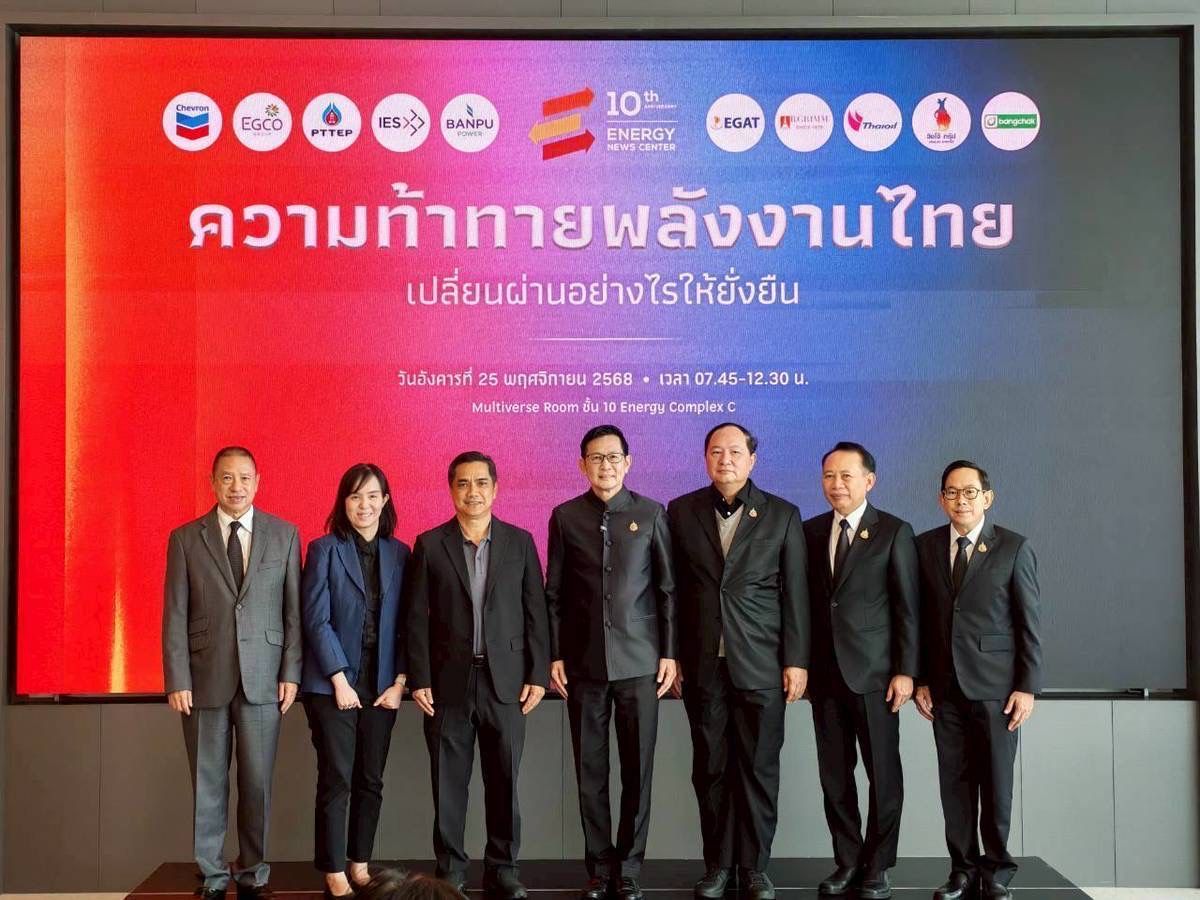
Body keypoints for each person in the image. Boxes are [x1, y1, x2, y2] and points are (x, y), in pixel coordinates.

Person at [667, 423, 809, 900]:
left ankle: (754, 867)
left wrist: (796, 660)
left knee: (759, 768)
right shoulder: (681, 511)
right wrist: (674, 655)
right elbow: (671, 592)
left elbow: (796, 595)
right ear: (705, 458)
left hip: (763, 664)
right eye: (715, 451)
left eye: (734, 452)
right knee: (710, 768)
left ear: (752, 459)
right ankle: (718, 866)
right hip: (703, 663)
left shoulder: (782, 514)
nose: (724, 459)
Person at [405, 451, 550, 899]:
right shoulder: (430, 544)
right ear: (451, 490)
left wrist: (538, 673)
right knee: (448, 784)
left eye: (481, 482)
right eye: (463, 483)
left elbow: (536, 612)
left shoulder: (520, 542)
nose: (473, 492)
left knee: (504, 781)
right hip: (447, 683)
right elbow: (416, 618)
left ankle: (503, 869)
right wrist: (419, 677)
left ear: (495, 488)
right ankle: (450, 869)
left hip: (506, 683)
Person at [162, 446, 302, 900]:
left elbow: (293, 612)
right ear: (212, 482)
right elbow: (175, 613)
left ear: (258, 482)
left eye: (244, 478)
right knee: (208, 781)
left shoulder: (284, 535)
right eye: (227, 478)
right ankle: (212, 872)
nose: (236, 486)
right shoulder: (186, 538)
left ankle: (253, 869)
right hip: (204, 678)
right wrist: (177, 677)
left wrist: (291, 671)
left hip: (265, 677)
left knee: (257, 783)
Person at [546, 425, 678, 900]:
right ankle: (600, 869)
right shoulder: (565, 516)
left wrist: (669, 652)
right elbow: (554, 592)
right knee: (591, 772)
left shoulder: (651, 513)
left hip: (640, 664)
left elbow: (667, 589)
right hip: (583, 666)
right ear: (582, 464)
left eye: (613, 457)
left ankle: (631, 868)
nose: (605, 466)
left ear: (628, 462)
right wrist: (555, 653)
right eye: (596, 458)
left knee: (638, 771)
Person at [913, 461, 1042, 900]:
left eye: (970, 492)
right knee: (955, 785)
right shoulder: (925, 546)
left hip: (997, 689)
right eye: (952, 492)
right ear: (941, 499)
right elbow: (918, 620)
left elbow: (1029, 623)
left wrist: (1027, 686)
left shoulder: (1013, 548)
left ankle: (998, 869)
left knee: (997, 783)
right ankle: (962, 870)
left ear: (988, 498)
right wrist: (921, 679)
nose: (961, 500)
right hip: (944, 689)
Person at [803, 443, 919, 899]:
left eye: (846, 476)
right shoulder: (810, 531)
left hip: (876, 676)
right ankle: (848, 860)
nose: (836, 485)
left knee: (883, 775)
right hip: (825, 676)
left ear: (869, 481)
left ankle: (878, 865)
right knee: (835, 776)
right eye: (829, 476)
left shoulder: (894, 531)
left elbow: (908, 607)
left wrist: (906, 670)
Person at [301, 463, 411, 898]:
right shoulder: (324, 549)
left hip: (382, 685)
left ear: (385, 501)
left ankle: (359, 863)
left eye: (372, 496)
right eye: (354, 496)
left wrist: (400, 681)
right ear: (342, 502)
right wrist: (339, 678)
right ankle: (333, 869)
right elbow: (316, 618)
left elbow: (409, 624)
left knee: (371, 778)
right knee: (337, 777)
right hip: (332, 685)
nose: (363, 505)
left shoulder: (400, 553)